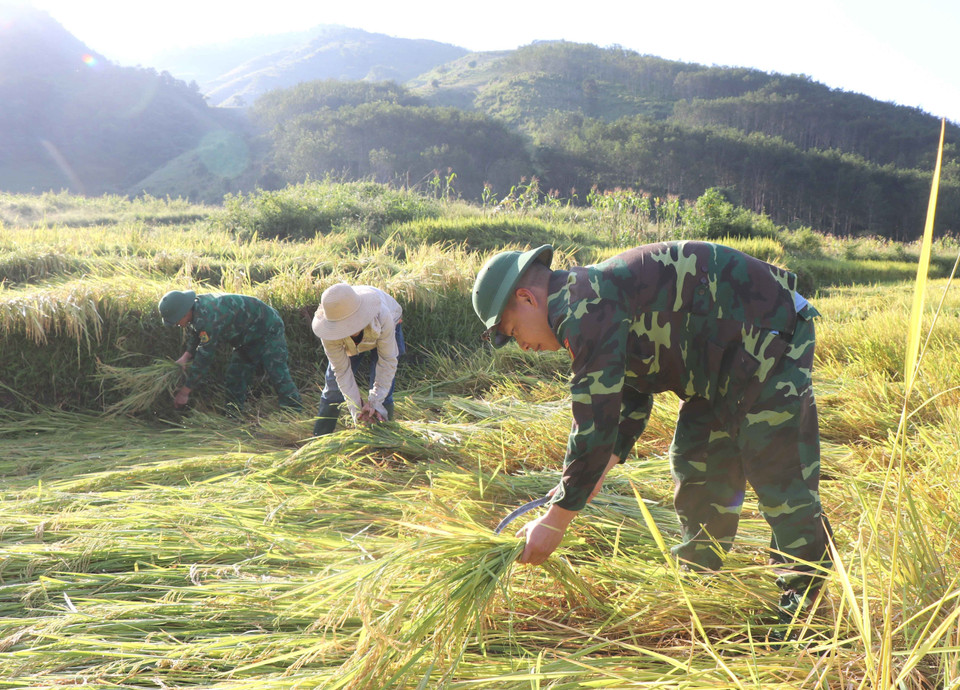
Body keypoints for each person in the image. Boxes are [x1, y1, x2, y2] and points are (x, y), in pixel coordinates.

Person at [472, 240, 833, 621]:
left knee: (779, 476)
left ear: (527, 298)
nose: (522, 346)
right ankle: (698, 580)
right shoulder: (589, 300)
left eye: (513, 331)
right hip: (717, 362)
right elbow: (629, 393)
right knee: (696, 463)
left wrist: (555, 522)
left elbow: (594, 422)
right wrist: (591, 477)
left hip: (767, 331)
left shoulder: (583, 307)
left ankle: (806, 611)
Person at [158, 290, 302, 412]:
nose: (176, 325)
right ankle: (234, 414)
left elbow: (204, 359)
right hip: (246, 336)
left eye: (176, 321)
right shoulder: (197, 308)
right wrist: (186, 356)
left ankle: (294, 410)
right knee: (235, 375)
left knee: (276, 370)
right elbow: (198, 333)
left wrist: (185, 392)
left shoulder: (209, 316)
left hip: (268, 328)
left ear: (184, 313)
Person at [311, 282, 404, 436]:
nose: (348, 329)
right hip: (348, 344)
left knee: (384, 392)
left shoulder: (382, 314)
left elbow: (387, 361)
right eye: (342, 326)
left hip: (386, 325)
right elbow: (342, 371)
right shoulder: (328, 332)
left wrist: (374, 403)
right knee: (333, 388)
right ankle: (320, 437)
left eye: (350, 324)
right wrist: (357, 412)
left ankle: (383, 439)